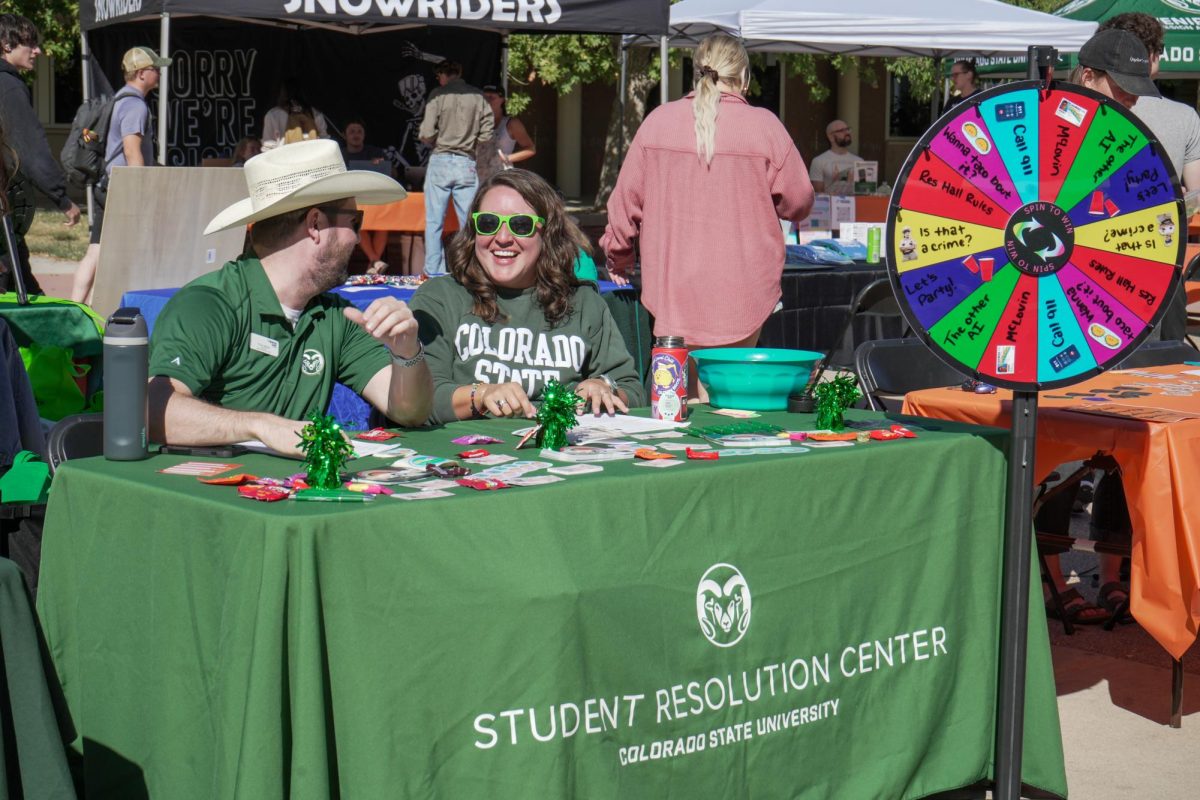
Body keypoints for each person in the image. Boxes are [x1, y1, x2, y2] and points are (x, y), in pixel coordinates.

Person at [147, 140, 433, 456]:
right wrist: (261, 426)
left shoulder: (333, 315)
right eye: (354, 222)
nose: (356, 238)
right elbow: (154, 411)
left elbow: (409, 411)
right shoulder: (210, 303)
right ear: (315, 224)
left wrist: (408, 352)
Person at [601, 33, 813, 402]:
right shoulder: (764, 126)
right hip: (742, 289)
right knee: (732, 400)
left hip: (672, 289)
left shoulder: (658, 122)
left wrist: (618, 257)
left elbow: (623, 204)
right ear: (744, 78)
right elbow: (799, 202)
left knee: (677, 401)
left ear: (695, 71)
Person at [1036, 28, 1161, 626]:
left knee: (1115, 446)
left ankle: (1111, 574)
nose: (1132, 103)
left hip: (1106, 316)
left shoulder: (1122, 136)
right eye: (1122, 89)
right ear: (1086, 78)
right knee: (1052, 456)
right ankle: (1054, 579)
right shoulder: (1036, 126)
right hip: (1039, 315)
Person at [410, 169, 644, 424]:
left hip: (565, 455)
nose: (502, 238)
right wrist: (482, 394)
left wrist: (604, 388)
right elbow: (418, 400)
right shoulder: (440, 297)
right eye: (488, 223)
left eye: (521, 225)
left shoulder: (584, 303)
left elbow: (632, 391)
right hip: (470, 455)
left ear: (548, 233)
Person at [1100, 12, 1200, 342]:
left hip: (1085, 265)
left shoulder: (1081, 105)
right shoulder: (1183, 117)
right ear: (1154, 58)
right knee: (1160, 365)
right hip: (1159, 264)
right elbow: (1195, 197)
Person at [71, 45, 168, 305]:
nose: (159, 73)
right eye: (155, 68)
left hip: (108, 184)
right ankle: (92, 308)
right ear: (141, 73)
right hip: (123, 189)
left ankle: (78, 306)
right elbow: (131, 150)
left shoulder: (120, 99)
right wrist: (141, 192)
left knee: (97, 250)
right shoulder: (135, 106)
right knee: (110, 255)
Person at [0, 14, 81, 295]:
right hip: (3, 215)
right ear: (6, 45)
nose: (37, 51)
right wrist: (61, 198)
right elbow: (30, 149)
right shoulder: (8, 88)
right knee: (21, 296)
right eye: (29, 43)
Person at [419, 60, 493, 277]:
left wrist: (435, 139)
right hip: (466, 162)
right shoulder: (478, 96)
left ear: (443, 74)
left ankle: (434, 272)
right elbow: (488, 134)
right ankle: (471, 268)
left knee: (434, 221)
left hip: (441, 159)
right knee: (469, 221)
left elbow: (425, 133)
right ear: (459, 72)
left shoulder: (438, 94)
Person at [340, 119, 391, 274]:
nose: (356, 135)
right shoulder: (339, 155)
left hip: (374, 200)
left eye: (359, 131)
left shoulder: (375, 152)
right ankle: (375, 261)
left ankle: (373, 263)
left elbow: (392, 173)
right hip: (351, 201)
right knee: (358, 223)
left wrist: (380, 166)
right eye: (352, 131)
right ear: (344, 135)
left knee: (383, 224)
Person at [476, 84, 536, 183]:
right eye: (485, 97)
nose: (487, 101)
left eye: (491, 97)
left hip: (501, 175)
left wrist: (508, 158)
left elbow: (530, 149)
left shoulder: (511, 123)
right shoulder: (477, 122)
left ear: (502, 100)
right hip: (478, 177)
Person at [261, 79, 329, 151]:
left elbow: (268, 147)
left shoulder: (272, 115)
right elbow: (325, 142)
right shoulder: (315, 114)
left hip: (285, 159)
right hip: (312, 158)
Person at [809, 119, 859, 195]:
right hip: (830, 205)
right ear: (830, 137)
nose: (847, 133)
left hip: (856, 205)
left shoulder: (859, 161)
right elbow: (818, 194)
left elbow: (864, 192)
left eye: (848, 129)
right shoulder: (819, 161)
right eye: (842, 130)